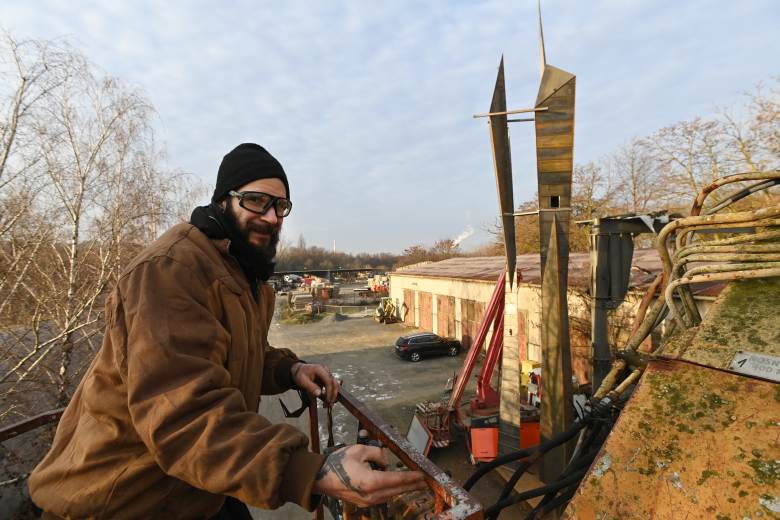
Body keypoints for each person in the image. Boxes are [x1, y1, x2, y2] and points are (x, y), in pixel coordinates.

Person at [29, 143, 425, 519]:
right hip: (124, 499)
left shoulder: (243, 274)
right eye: (256, 201)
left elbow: (238, 350)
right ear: (223, 201)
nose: (271, 217)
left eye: (280, 206)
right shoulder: (173, 270)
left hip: (193, 489)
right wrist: (311, 470)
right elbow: (185, 415)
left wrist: (289, 370)